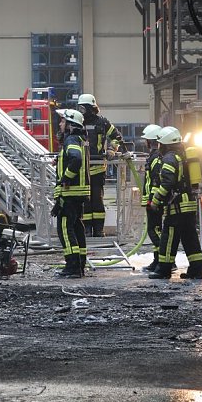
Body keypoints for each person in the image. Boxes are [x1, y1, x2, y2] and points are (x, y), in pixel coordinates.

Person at [147, 126, 202, 280]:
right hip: (188, 204)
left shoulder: (169, 158)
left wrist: (156, 200)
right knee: (190, 238)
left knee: (168, 238)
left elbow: (167, 182)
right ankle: (197, 270)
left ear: (164, 144)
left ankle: (163, 270)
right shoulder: (184, 155)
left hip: (177, 206)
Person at [76, 93, 125, 237]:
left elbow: (117, 137)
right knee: (84, 201)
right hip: (82, 170)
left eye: (84, 108)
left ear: (91, 108)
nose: (82, 111)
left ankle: (98, 230)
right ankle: (86, 230)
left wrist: (112, 149)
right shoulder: (77, 123)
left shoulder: (102, 122)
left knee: (97, 200)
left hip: (97, 169)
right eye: (80, 108)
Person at [51, 108, 91, 277]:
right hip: (77, 193)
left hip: (69, 194)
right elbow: (73, 158)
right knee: (76, 227)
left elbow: (76, 159)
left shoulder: (72, 139)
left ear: (70, 125)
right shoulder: (80, 139)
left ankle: (72, 265)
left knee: (65, 229)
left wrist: (65, 178)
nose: (60, 124)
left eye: (63, 121)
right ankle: (80, 264)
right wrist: (60, 160)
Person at [140, 124, 163, 272]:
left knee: (154, 231)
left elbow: (156, 181)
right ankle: (158, 260)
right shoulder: (154, 156)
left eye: (146, 140)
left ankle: (164, 260)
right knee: (154, 230)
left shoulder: (156, 158)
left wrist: (153, 200)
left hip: (154, 201)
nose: (145, 142)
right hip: (153, 199)